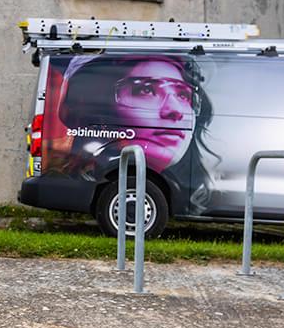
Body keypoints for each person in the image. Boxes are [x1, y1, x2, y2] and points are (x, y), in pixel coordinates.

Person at [48, 53, 216, 212]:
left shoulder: (202, 191)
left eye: (183, 95)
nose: (175, 110)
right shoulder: (61, 174)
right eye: (146, 90)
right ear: (102, 108)